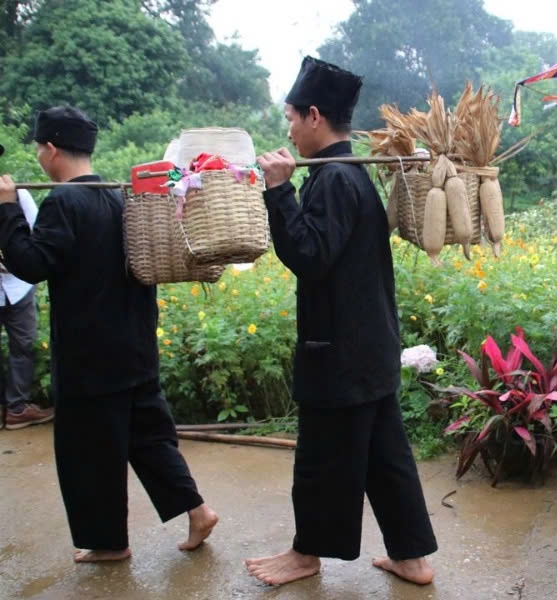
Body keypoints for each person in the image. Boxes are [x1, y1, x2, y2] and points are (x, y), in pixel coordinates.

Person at [245, 57, 437, 586]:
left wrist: (280, 191)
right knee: (384, 457)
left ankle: (307, 553)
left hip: (340, 352)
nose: (287, 129)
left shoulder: (330, 179)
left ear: (313, 116)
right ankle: (412, 558)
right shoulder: (350, 174)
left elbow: (310, 255)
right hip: (368, 345)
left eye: (290, 118)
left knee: (320, 458)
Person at [0, 107, 217, 562]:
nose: (39, 156)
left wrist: (6, 211)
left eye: (40, 148)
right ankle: (198, 510)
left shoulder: (64, 202)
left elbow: (31, 263)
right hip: (134, 346)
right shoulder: (118, 196)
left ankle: (108, 543)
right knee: (149, 438)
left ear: (52, 150)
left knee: (89, 451)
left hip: (90, 357)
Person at [0, 141, 52, 430]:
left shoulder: (15, 193)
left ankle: (17, 408)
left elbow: (35, 232)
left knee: (23, 344)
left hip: (17, 285)